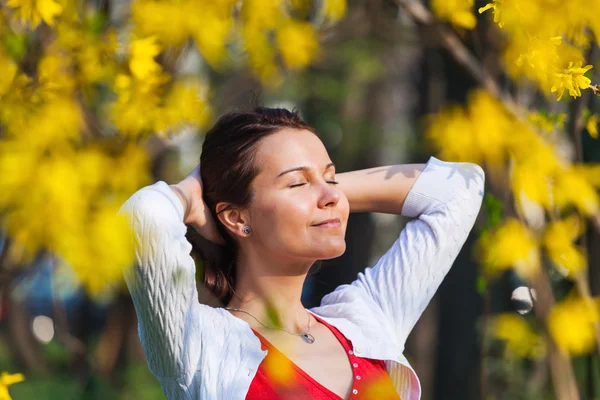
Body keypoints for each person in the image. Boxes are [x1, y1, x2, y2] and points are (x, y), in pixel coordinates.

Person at [119, 107, 485, 399]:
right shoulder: (201, 347)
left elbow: (459, 189)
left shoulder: (365, 321)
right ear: (235, 216)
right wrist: (193, 193)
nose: (330, 195)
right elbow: (145, 216)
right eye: (296, 182)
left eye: (331, 177)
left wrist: (326, 195)